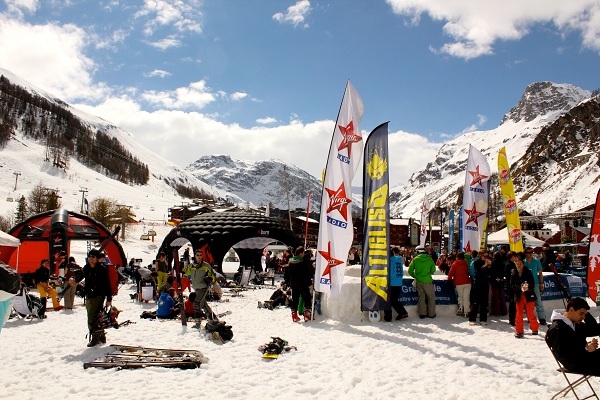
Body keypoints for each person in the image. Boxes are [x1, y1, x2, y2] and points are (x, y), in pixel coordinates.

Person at [546, 297, 600, 374]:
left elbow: (595, 330)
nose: (583, 317)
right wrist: (586, 348)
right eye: (581, 314)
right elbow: (563, 354)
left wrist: (586, 313)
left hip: (585, 358)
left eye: (584, 315)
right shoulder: (557, 328)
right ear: (571, 310)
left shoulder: (575, 323)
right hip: (576, 364)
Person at [83, 249, 112, 347]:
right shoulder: (86, 268)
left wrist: (109, 299)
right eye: (89, 256)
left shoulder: (102, 269)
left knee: (92, 316)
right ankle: (101, 335)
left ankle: (95, 337)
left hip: (99, 295)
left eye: (93, 257)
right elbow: (80, 276)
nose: (90, 259)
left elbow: (107, 284)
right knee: (97, 316)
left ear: (97, 259)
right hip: (89, 295)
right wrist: (73, 279)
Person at [510, 254, 539, 338]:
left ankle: (534, 328)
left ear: (523, 264)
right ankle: (519, 331)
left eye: (520, 264)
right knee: (519, 314)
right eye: (517, 264)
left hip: (529, 295)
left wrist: (527, 288)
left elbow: (532, 284)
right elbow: (511, 285)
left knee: (530, 313)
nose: (518, 265)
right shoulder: (513, 272)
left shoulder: (528, 272)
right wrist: (520, 288)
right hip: (519, 295)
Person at [185, 250, 217, 322]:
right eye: (197, 255)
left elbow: (213, 276)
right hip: (196, 287)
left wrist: (210, 279)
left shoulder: (206, 265)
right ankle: (213, 319)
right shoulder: (192, 266)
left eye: (200, 255)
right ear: (195, 256)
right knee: (203, 304)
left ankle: (198, 322)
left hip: (203, 287)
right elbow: (186, 274)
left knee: (196, 304)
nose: (199, 257)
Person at [408, 246, 436, 319]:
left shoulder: (415, 260)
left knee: (421, 297)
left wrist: (416, 276)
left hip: (419, 281)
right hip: (428, 281)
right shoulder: (429, 259)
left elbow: (410, 271)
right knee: (431, 297)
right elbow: (433, 269)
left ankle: (422, 314)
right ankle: (431, 314)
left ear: (417, 252)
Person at [288, 246, 313, 322]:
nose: (303, 254)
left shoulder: (291, 262)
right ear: (301, 253)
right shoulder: (303, 262)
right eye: (303, 253)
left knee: (295, 299)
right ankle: (306, 315)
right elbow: (306, 274)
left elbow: (290, 275)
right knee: (307, 298)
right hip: (303, 284)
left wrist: (291, 285)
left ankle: (294, 316)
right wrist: (309, 283)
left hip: (294, 284)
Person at [384, 247, 409, 321]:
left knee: (388, 300)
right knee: (394, 300)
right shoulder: (398, 260)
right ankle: (402, 312)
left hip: (391, 282)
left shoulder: (389, 261)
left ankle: (388, 317)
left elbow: (389, 272)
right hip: (398, 282)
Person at [524, 246, 546, 325]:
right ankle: (530, 317)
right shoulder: (523, 262)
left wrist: (541, 283)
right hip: (526, 283)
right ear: (525, 253)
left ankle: (542, 318)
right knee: (528, 302)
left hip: (535, 283)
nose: (530, 254)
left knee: (538, 301)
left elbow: (540, 273)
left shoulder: (536, 261)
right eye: (529, 253)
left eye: (531, 252)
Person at [469, 251, 491, 326]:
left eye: (487, 256)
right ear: (480, 256)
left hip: (485, 284)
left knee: (484, 303)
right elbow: (477, 273)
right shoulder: (476, 262)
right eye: (485, 256)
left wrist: (490, 266)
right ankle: (472, 318)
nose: (486, 258)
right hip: (478, 284)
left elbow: (491, 273)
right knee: (476, 302)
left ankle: (483, 319)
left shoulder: (489, 263)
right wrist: (485, 265)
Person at [447, 252, 471, 317]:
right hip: (467, 282)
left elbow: (450, 273)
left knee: (460, 297)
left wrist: (449, 279)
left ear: (457, 257)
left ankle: (461, 309)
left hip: (459, 283)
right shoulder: (466, 263)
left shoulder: (455, 264)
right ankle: (467, 311)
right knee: (466, 297)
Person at [489, 251, 507, 316]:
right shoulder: (503, 263)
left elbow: (492, 272)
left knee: (495, 297)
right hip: (501, 280)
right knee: (502, 296)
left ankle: (496, 311)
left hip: (494, 281)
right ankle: (504, 310)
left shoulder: (493, 263)